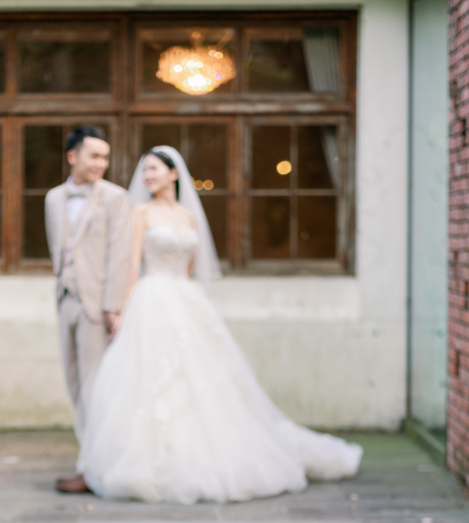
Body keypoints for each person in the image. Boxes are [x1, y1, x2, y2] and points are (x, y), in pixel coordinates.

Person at [77, 146, 362, 504]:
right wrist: (120, 308)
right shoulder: (140, 213)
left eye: (154, 169)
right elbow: (132, 265)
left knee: (207, 381)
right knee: (152, 379)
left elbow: (194, 266)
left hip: (186, 298)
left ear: (173, 174)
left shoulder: (188, 216)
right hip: (151, 299)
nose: (148, 176)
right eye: (144, 171)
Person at [44, 125, 131, 494]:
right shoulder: (52, 198)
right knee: (75, 385)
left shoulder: (115, 198)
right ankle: (89, 458)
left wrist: (113, 305)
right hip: (67, 302)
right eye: (94, 156)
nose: (102, 164)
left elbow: (120, 255)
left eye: (105, 157)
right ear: (72, 156)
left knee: (96, 389)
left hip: (98, 306)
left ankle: (93, 467)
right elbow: (57, 250)